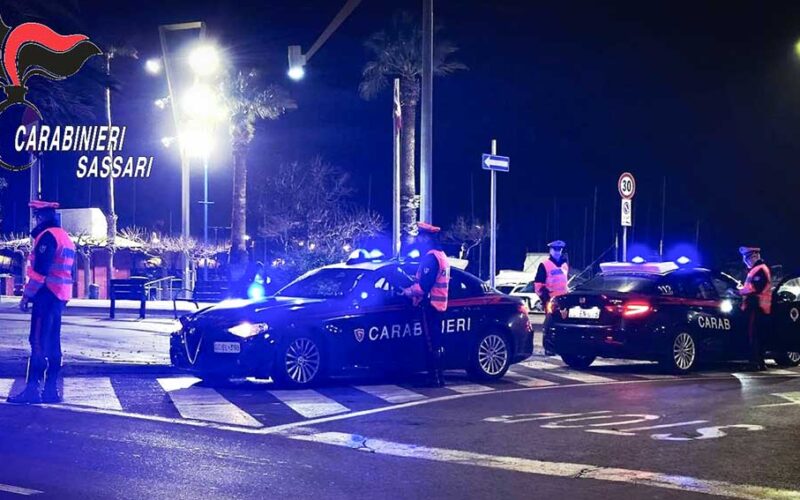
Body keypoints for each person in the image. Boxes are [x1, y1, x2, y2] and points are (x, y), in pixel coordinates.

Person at [7, 200, 75, 404]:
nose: (34, 219)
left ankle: (32, 390)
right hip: (59, 297)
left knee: (37, 342)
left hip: (45, 296)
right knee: (53, 343)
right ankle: (51, 390)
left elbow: (40, 272)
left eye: (36, 216)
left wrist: (27, 295)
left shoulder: (47, 237)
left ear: (43, 217)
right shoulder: (65, 238)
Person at [402, 222, 451, 387]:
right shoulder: (441, 256)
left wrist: (407, 291)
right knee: (436, 341)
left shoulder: (431, 258)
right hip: (438, 306)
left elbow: (423, 287)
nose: (418, 240)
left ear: (427, 238)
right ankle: (438, 376)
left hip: (430, 307)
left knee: (431, 342)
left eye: (420, 236)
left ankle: (434, 377)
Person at [738, 246, 772, 371]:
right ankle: (759, 362)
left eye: (746, 258)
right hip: (760, 308)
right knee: (758, 336)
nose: (745, 261)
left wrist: (739, 291)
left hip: (757, 307)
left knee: (754, 336)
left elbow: (755, 288)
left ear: (753, 256)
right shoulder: (758, 269)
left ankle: (754, 363)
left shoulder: (759, 269)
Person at [534, 240, 569, 308]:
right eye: (555, 250)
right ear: (550, 250)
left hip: (564, 300)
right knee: (551, 318)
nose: (557, 252)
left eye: (559, 250)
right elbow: (538, 284)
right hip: (551, 301)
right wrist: (544, 298)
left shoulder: (564, 265)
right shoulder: (544, 265)